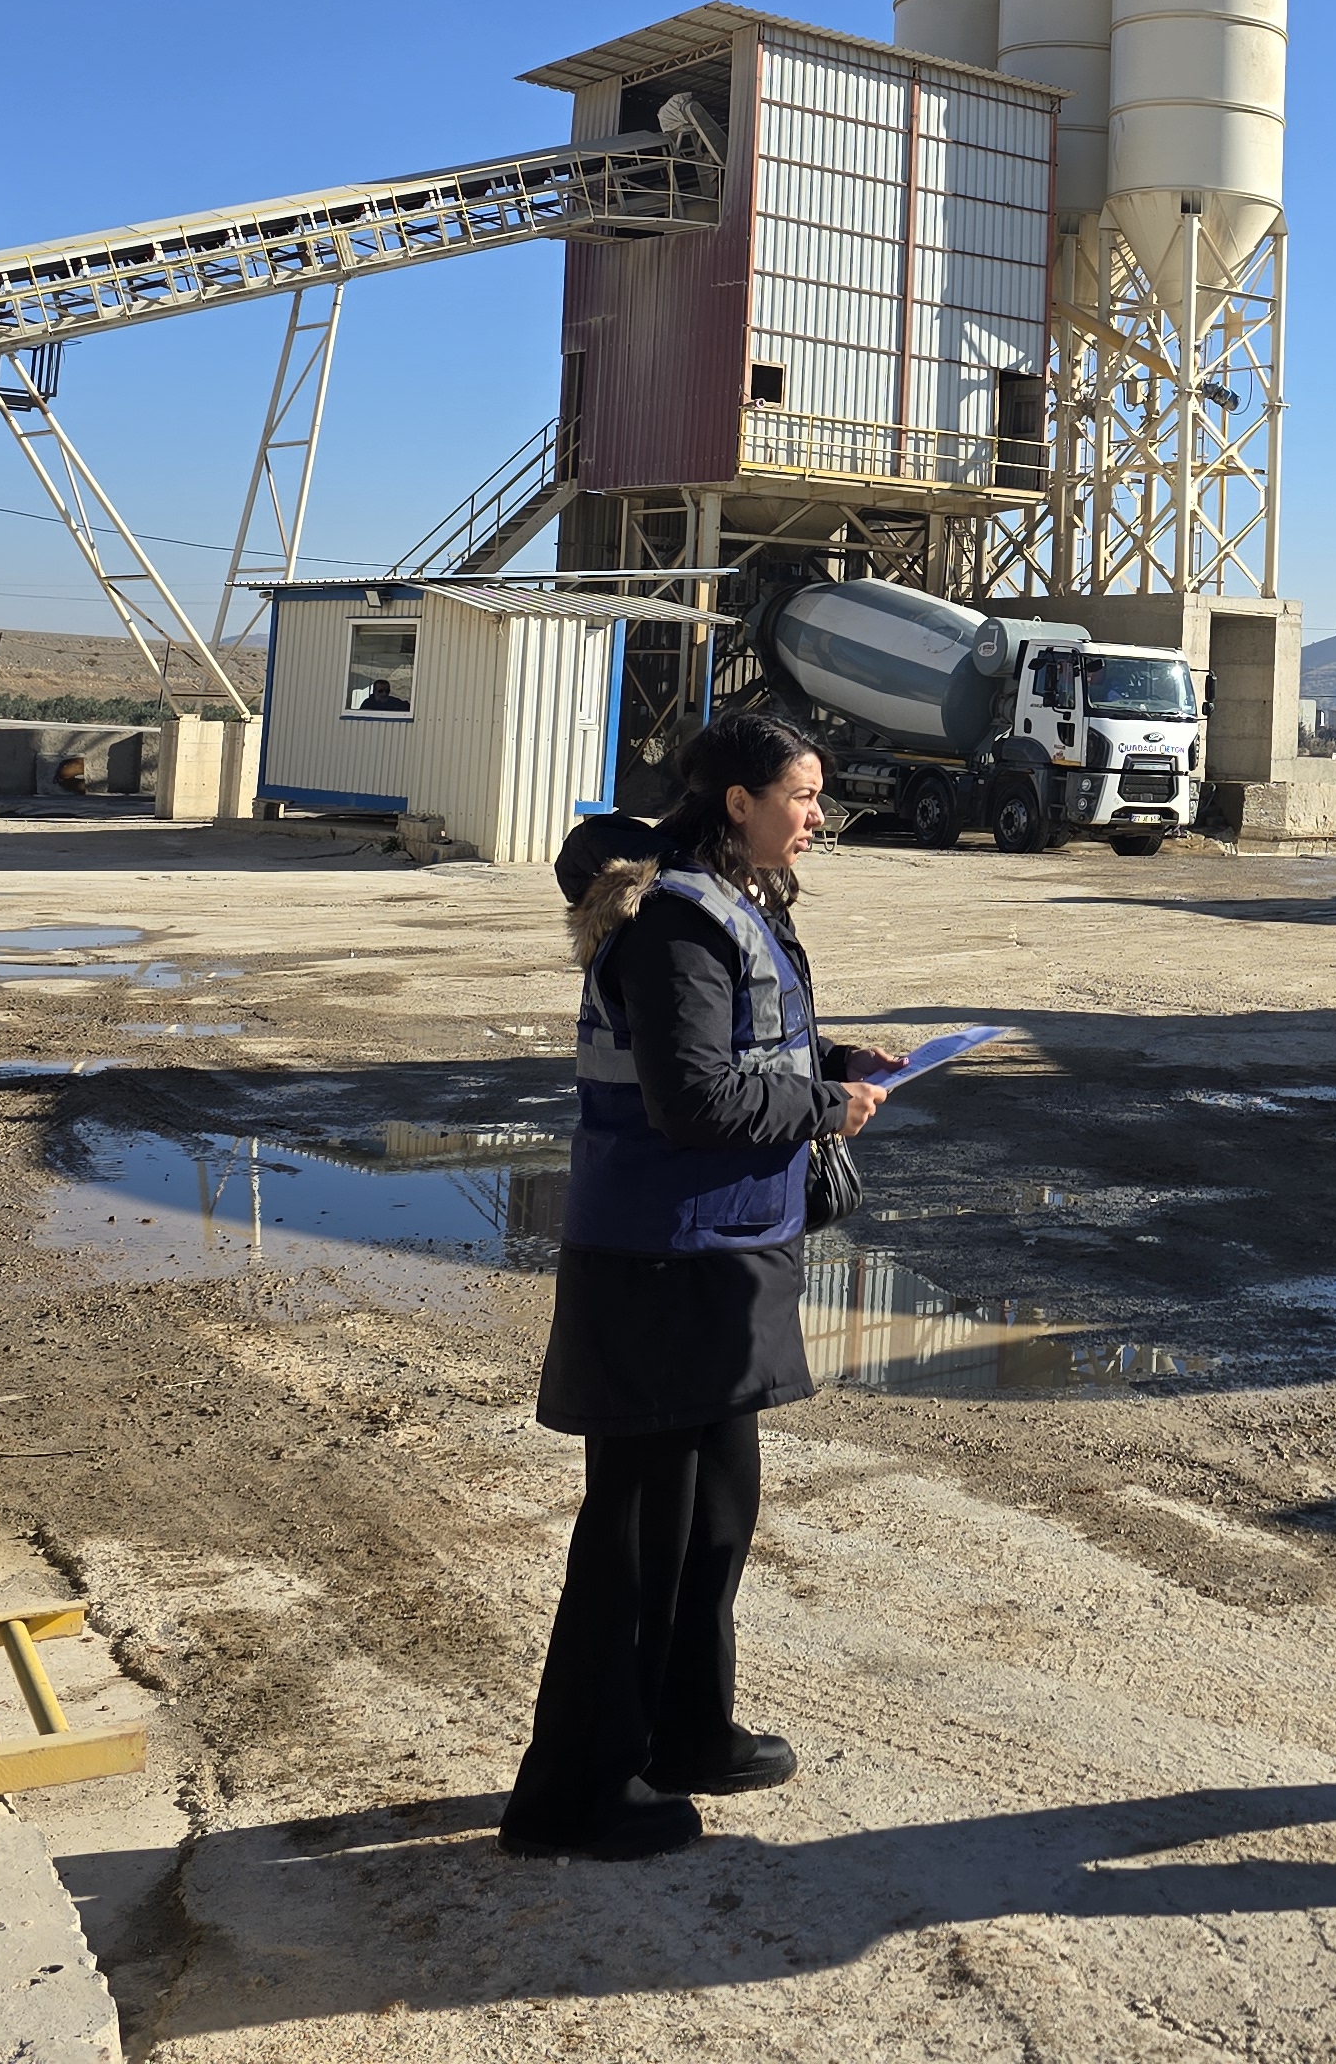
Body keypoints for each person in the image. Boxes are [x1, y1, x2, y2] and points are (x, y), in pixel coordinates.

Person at [499, 715, 894, 1862]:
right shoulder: (673, 919)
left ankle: (685, 1732)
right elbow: (694, 1102)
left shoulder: (736, 904)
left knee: (715, 1515)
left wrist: (834, 1064)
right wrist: (826, 1111)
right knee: (634, 1532)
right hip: (660, 1261)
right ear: (736, 802)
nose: (818, 817)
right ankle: (573, 1791)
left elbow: (740, 1056)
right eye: (804, 797)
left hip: (730, 1251)